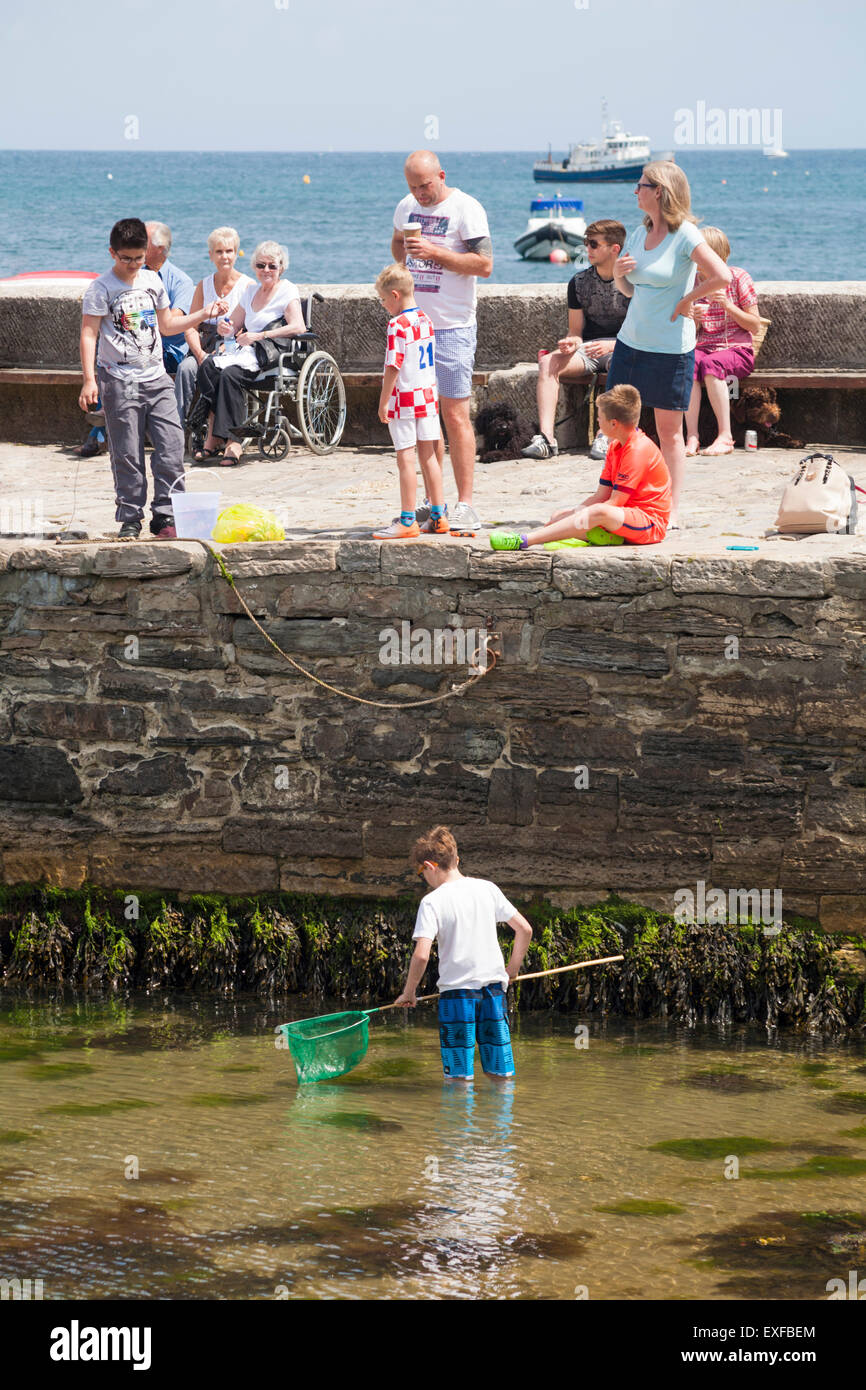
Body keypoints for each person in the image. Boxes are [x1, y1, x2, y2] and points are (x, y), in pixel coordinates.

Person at [79, 217, 227, 539]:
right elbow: (89, 334)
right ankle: (131, 516)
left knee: (172, 445)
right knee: (128, 452)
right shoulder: (101, 288)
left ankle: (166, 514)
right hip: (118, 380)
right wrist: (90, 380)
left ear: (147, 253)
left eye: (138, 258)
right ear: (112, 253)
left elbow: (167, 325)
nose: (133, 264)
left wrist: (204, 314)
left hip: (157, 377)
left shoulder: (153, 282)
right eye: (126, 258)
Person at [608, 162, 732, 526]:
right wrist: (617, 274)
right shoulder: (637, 232)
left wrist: (686, 300)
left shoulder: (686, 235)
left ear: (658, 190)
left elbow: (721, 276)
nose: (635, 191)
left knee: (668, 433)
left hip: (669, 349)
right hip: (630, 343)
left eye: (640, 185)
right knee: (616, 427)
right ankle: (619, 497)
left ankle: (671, 510)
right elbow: (632, 290)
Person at [392, 150, 493, 536]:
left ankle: (465, 502)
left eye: (426, 186)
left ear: (441, 176)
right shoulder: (406, 206)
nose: (420, 194)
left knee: (454, 414)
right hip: (414, 326)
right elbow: (397, 242)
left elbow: (484, 265)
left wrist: (435, 253)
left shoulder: (466, 209)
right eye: (413, 187)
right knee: (422, 417)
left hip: (452, 326)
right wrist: (402, 268)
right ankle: (435, 503)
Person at [396, 826, 533, 1082]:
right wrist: (512, 970)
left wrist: (409, 991)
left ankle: (459, 1121)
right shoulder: (488, 889)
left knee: (458, 1077)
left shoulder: (432, 902)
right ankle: (503, 1121)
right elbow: (524, 929)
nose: (423, 878)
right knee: (501, 1074)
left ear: (429, 866)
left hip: (457, 997)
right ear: (456, 860)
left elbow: (422, 955)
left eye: (420, 873)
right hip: (493, 992)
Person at [488, 384, 671, 551]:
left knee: (597, 513)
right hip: (623, 516)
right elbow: (601, 495)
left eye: (599, 419)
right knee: (559, 516)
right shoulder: (615, 446)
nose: (598, 422)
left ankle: (524, 541)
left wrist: (580, 518)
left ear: (614, 423)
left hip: (650, 523)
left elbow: (614, 503)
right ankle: (603, 536)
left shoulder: (637, 450)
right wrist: (571, 514)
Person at [522, 218, 629, 461]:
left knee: (621, 361)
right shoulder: (579, 283)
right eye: (585, 244)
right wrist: (572, 342)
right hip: (589, 349)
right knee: (549, 362)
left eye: (593, 244)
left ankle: (605, 436)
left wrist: (613, 345)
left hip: (623, 348)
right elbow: (576, 330)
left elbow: (642, 333)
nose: (587, 250)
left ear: (615, 249)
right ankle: (547, 439)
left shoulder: (634, 282)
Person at [192, 241, 306, 466]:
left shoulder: (287, 289)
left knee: (229, 375)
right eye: (261, 265)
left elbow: (298, 327)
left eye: (272, 266)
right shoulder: (251, 290)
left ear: (280, 268)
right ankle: (216, 434)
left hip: (271, 352)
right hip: (247, 351)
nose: (266, 270)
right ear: (254, 266)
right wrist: (226, 328)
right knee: (207, 366)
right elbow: (232, 323)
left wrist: (260, 336)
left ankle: (233, 441)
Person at [372, 264, 446, 540]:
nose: (383, 306)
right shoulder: (425, 319)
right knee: (430, 458)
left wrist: (383, 402)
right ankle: (438, 516)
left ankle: (407, 520)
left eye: (382, 300)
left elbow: (393, 366)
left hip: (404, 398)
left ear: (394, 295)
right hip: (428, 396)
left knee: (405, 457)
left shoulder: (397, 325)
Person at [684, 226, 761, 458]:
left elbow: (754, 325)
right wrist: (694, 321)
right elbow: (688, 332)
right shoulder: (693, 281)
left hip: (738, 349)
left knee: (711, 365)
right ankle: (692, 436)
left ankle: (725, 436)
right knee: (687, 364)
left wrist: (729, 306)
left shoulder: (737, 277)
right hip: (703, 346)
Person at [174, 226, 254, 433]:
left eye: (229, 251)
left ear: (236, 254)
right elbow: (190, 326)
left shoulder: (248, 286)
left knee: (221, 371)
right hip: (205, 346)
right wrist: (200, 354)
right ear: (211, 255)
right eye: (219, 252)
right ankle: (176, 429)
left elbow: (251, 327)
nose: (224, 256)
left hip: (233, 350)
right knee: (185, 369)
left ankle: (214, 431)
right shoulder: (203, 285)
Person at [145, 222, 195, 378]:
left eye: (142, 241)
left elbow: (171, 324)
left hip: (169, 352)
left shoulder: (181, 282)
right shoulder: (135, 275)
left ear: (160, 248)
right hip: (140, 347)